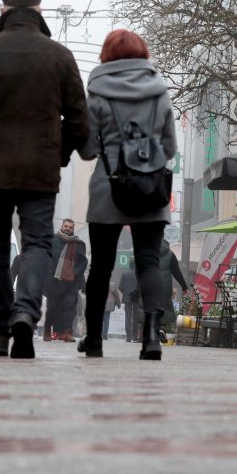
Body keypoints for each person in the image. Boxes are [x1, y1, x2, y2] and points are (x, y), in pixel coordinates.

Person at [0, 0, 89, 358]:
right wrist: (56, 155)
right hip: (39, 172)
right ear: (40, 12)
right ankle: (26, 312)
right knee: (37, 244)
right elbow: (80, 122)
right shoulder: (59, 56)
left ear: (2, 11)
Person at [76, 28, 176, 360]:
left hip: (109, 188)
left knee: (101, 266)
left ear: (106, 55)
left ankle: (94, 340)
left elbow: (88, 149)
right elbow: (170, 147)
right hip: (151, 188)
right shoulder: (159, 93)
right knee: (149, 261)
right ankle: (151, 337)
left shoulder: (97, 94)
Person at [45, 218, 88, 342]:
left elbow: (83, 262)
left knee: (69, 306)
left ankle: (67, 332)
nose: (68, 228)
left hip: (71, 282)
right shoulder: (52, 240)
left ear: (73, 229)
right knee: (53, 307)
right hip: (54, 280)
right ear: (62, 226)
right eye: (66, 226)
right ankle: (48, 328)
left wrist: (74, 273)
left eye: (70, 227)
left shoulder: (78, 243)